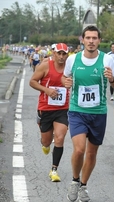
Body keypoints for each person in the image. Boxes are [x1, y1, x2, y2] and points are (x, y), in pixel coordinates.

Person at [62, 25, 114, 202]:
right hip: (77, 110)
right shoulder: (73, 60)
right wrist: (66, 82)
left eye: (94, 38)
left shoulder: (106, 60)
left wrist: (111, 78)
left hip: (98, 112)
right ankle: (74, 180)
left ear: (99, 40)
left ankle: (83, 185)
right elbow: (64, 78)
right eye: (87, 38)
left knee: (92, 153)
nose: (91, 41)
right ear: (82, 40)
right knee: (79, 149)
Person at [29, 43, 70, 182]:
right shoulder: (45, 66)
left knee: (59, 137)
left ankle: (54, 170)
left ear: (67, 54)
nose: (61, 56)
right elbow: (32, 81)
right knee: (46, 142)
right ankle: (45, 144)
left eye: (64, 54)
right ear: (54, 53)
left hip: (63, 109)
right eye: (59, 53)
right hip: (46, 108)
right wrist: (47, 90)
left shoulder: (70, 68)